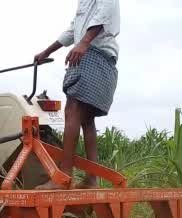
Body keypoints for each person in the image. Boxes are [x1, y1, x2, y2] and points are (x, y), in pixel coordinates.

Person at [32, 0, 121, 190]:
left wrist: (83, 43)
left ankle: (62, 178)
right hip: (93, 52)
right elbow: (73, 30)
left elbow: (102, 16)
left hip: (94, 53)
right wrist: (46, 51)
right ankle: (92, 180)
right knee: (86, 118)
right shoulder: (84, 2)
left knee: (73, 109)